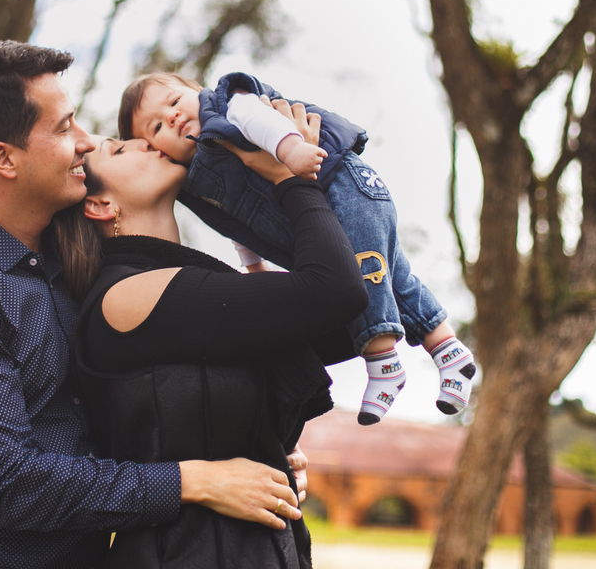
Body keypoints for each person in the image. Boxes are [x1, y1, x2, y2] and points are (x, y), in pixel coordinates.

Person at [0, 41, 304, 569]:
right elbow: (12, 484)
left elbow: (127, 408)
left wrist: (250, 444)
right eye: (63, 128)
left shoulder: (76, 266)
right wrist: (192, 481)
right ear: (3, 159)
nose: (85, 142)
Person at [52, 99, 370, 568]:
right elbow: (336, 290)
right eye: (119, 151)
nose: (144, 140)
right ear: (101, 205)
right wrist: (288, 180)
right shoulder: (127, 296)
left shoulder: (196, 286)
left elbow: (354, 326)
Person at [118, 71, 477, 425]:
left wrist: (291, 149)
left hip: (344, 188)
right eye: (157, 127)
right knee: (397, 280)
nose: (173, 117)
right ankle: (451, 354)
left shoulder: (229, 106)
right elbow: (237, 220)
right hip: (320, 214)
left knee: (366, 272)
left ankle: (383, 361)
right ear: (154, 149)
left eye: (175, 101)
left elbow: (262, 121)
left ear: (198, 90)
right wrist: (253, 266)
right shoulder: (200, 180)